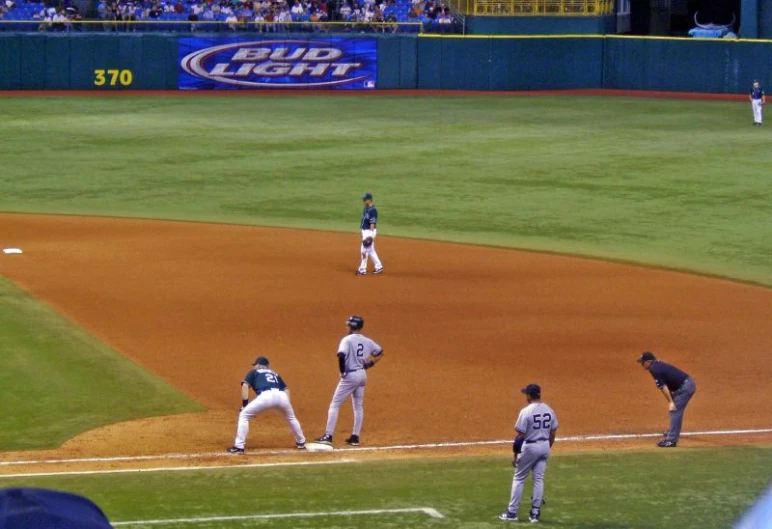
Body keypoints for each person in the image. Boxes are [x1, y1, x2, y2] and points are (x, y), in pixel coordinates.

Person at [314, 315, 385, 447]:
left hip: (350, 375)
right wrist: (370, 364)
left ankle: (328, 436)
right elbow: (380, 352)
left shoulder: (346, 340)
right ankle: (355, 437)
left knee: (335, 404)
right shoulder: (367, 341)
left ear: (352, 326)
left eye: (348, 325)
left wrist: (342, 372)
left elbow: (341, 355)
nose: (347, 327)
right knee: (358, 406)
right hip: (362, 375)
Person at [499, 384, 558, 524]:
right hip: (544, 446)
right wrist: (547, 447)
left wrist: (515, 455)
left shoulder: (526, 411)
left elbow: (520, 436)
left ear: (529, 396)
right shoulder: (550, 410)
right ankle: (535, 514)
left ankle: (512, 513)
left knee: (519, 478)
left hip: (530, 447)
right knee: (539, 479)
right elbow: (553, 432)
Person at [227, 356, 306, 453]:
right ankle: (301, 442)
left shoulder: (254, 372)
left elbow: (245, 386)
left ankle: (239, 446)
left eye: (255, 365)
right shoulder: (275, 374)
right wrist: (286, 405)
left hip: (266, 396)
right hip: (282, 396)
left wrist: (245, 405)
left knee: (244, 415)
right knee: (291, 418)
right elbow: (286, 389)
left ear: (259, 365)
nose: (254, 367)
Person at [637, 351, 696, 447]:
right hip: (684, 385)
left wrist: (671, 402)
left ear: (648, 361)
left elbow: (663, 387)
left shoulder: (654, 369)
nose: (641, 365)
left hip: (685, 387)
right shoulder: (656, 365)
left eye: (642, 362)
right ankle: (673, 431)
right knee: (676, 410)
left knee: (674, 410)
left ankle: (671, 440)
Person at [356, 192, 384, 276]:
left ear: (369, 200)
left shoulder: (373, 210)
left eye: (365, 200)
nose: (363, 201)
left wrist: (370, 237)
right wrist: (362, 232)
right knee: (371, 250)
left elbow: (372, 224)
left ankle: (362, 270)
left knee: (364, 250)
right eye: (363, 200)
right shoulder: (366, 208)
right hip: (365, 231)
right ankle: (378, 266)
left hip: (369, 231)